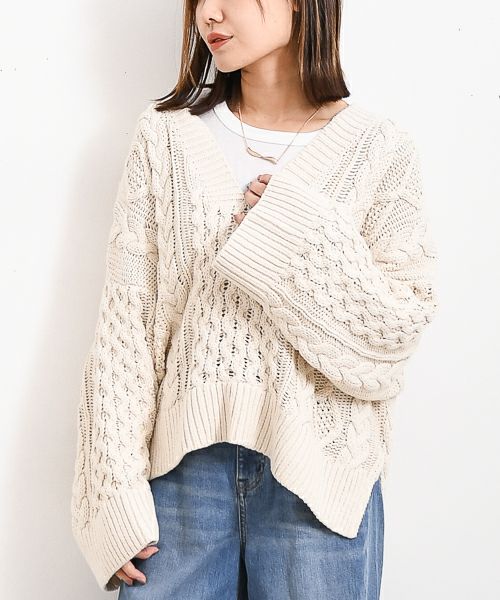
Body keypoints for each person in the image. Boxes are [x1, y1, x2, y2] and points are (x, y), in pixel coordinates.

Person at [70, 0, 440, 598]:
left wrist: (290, 232)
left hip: (320, 479)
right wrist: (109, 490)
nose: (208, 14)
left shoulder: (380, 149)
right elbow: (126, 329)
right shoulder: (165, 138)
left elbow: (394, 334)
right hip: (179, 479)